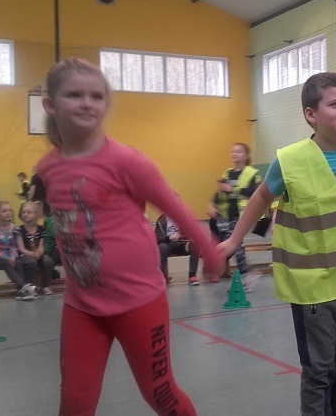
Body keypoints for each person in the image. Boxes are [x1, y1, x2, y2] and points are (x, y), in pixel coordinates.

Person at [36, 58, 222, 415]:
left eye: (96, 96)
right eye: (74, 95)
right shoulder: (47, 167)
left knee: (160, 393)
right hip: (82, 305)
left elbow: (175, 207)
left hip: (139, 302)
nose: (87, 103)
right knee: (75, 401)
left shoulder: (127, 161)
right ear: (50, 105)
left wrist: (210, 253)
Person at [216, 72, 336, 415]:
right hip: (312, 288)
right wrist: (233, 240)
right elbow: (261, 197)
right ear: (311, 114)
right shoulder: (290, 160)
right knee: (319, 369)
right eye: (335, 104)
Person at [212, 142, 262, 290]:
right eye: (232, 151)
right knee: (233, 246)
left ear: (246, 156)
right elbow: (221, 192)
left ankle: (246, 274)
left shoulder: (252, 173)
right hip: (227, 215)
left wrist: (233, 189)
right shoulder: (227, 173)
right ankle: (247, 274)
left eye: (239, 151)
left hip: (242, 215)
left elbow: (255, 192)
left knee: (235, 245)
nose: (234, 154)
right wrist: (214, 205)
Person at [0, 200, 38, 301]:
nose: (8, 213)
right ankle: (23, 286)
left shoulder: (14, 228)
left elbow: (13, 246)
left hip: (10, 256)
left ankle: (21, 291)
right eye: (4, 211)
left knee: (19, 262)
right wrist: (6, 257)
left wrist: (13, 256)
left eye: (9, 210)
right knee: (6, 263)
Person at [14, 201, 56, 295]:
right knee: (31, 262)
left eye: (29, 212)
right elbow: (20, 248)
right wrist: (31, 254)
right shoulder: (18, 230)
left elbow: (41, 245)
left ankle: (46, 285)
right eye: (23, 212)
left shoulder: (41, 229)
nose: (25, 214)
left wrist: (40, 252)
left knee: (48, 261)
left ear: (36, 215)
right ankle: (30, 286)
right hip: (24, 254)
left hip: (36, 253)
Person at [154, 212, 200, 285]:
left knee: (195, 245)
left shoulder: (183, 218)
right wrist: (169, 238)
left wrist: (187, 236)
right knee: (162, 247)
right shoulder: (161, 221)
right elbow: (157, 239)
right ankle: (163, 276)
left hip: (183, 243)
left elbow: (193, 232)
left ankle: (192, 274)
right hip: (168, 244)